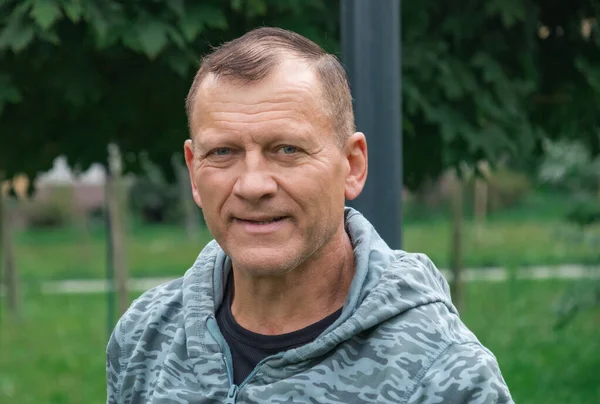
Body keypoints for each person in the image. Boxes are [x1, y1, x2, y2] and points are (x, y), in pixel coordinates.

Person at [106, 27, 513, 404]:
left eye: (286, 150)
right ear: (194, 171)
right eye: (223, 152)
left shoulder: (444, 375)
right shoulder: (145, 336)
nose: (252, 185)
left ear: (352, 166)